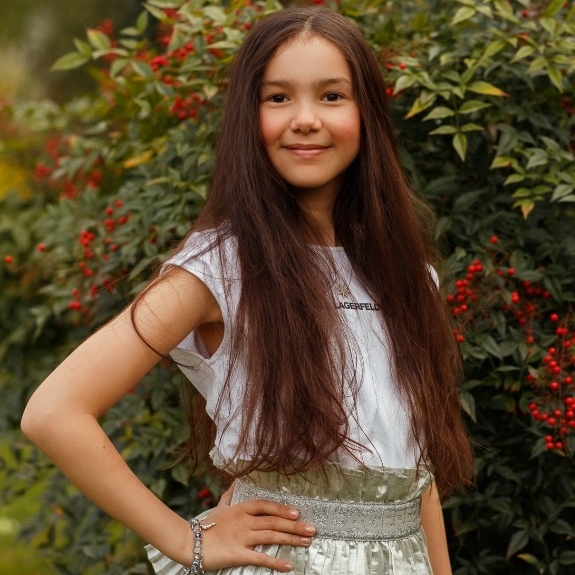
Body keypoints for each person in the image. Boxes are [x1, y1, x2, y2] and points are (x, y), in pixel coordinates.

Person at [22, 6, 473, 575]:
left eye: (332, 96)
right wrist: (185, 540)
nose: (305, 119)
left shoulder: (407, 276)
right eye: (277, 97)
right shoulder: (222, 268)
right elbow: (54, 412)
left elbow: (415, 472)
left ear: (368, 115)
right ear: (247, 116)